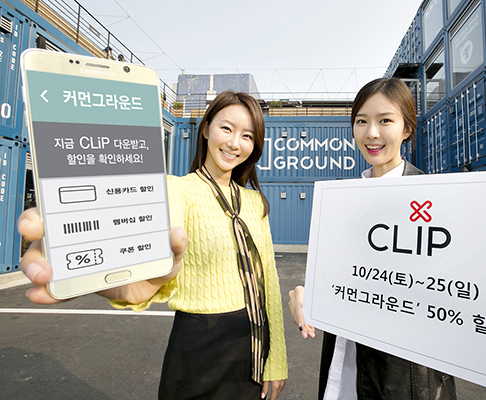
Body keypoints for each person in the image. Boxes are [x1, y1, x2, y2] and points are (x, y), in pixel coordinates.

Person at [287, 77, 486, 400]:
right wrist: (313, 296)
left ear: (407, 129)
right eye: (361, 121)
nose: (372, 133)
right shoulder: (343, 204)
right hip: (342, 377)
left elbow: (484, 289)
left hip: (410, 385)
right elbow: (346, 280)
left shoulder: (442, 203)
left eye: (386, 121)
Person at [18, 91, 288, 400]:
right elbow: (151, 237)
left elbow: (269, 280)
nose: (234, 143)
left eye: (247, 136)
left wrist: (277, 359)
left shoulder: (255, 202)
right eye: (226, 128)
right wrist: (90, 246)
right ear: (205, 129)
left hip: (252, 343)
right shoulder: (177, 190)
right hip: (199, 343)